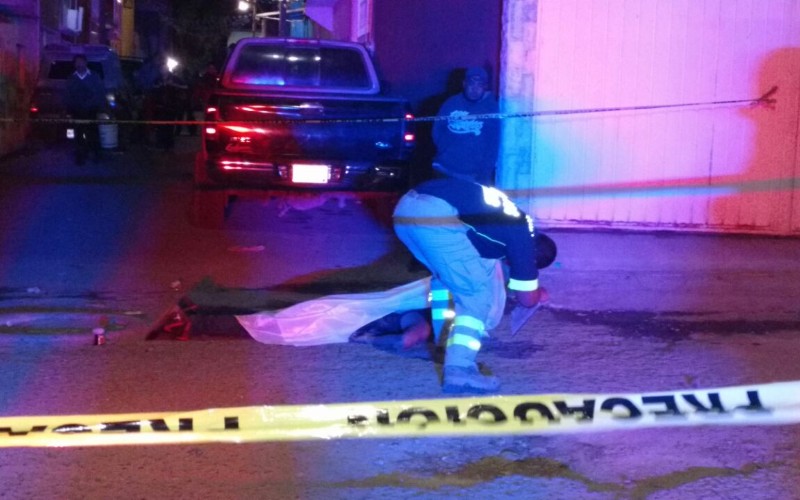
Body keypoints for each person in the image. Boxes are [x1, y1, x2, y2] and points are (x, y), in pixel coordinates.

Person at [393, 176, 547, 394]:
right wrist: (538, 292)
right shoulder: (524, 242)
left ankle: (444, 342)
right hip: (437, 214)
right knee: (476, 295)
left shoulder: (514, 220)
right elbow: (527, 299)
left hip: (406, 207)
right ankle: (460, 369)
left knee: (446, 279)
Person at [432, 66, 500, 185]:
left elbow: (493, 143)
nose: (475, 89)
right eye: (471, 84)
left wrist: (485, 174)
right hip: (444, 169)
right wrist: (445, 150)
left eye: (479, 85)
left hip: (472, 176)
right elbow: (437, 130)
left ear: (485, 87)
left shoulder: (491, 108)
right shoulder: (451, 103)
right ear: (464, 84)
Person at [63, 54, 106, 164]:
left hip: (92, 110)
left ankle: (96, 154)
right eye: (77, 62)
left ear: (86, 63)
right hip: (77, 111)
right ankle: (80, 156)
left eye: (81, 62)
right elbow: (67, 95)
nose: (79, 64)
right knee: (78, 134)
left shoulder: (94, 76)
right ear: (74, 64)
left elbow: (100, 93)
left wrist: (101, 108)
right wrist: (68, 109)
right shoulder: (71, 79)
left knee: (93, 133)